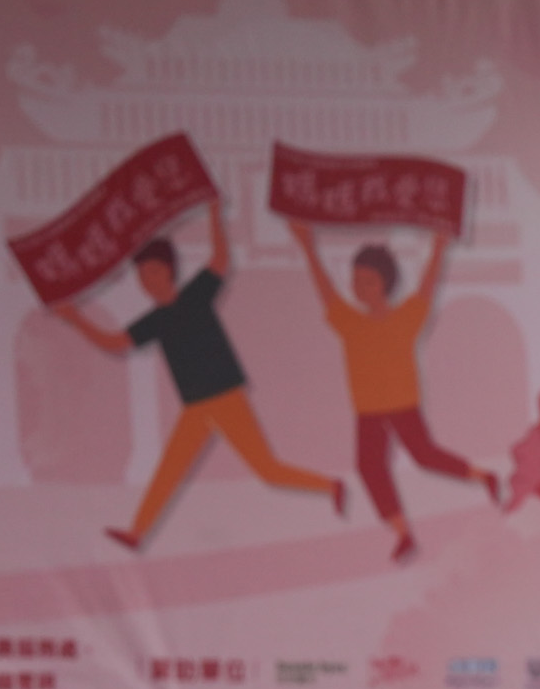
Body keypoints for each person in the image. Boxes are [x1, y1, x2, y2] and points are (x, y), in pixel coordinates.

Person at [49, 202, 345, 550]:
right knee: (171, 469)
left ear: (170, 271)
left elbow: (220, 259)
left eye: (154, 272)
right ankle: (137, 532)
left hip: (225, 397)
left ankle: (330, 486)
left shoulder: (195, 295)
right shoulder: (155, 321)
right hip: (197, 406)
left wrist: (215, 213)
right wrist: (77, 319)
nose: (148, 281)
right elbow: (114, 342)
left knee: (266, 469)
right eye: (142, 277)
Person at [290, 221, 497, 562]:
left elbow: (426, 288)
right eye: (356, 281)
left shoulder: (404, 320)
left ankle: (484, 477)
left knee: (424, 456)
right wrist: (308, 248)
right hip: (368, 411)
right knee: (369, 467)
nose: (360, 288)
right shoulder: (350, 323)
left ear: (385, 283)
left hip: (402, 405)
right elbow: (326, 292)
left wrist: (439, 248)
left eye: (368, 281)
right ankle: (403, 532)